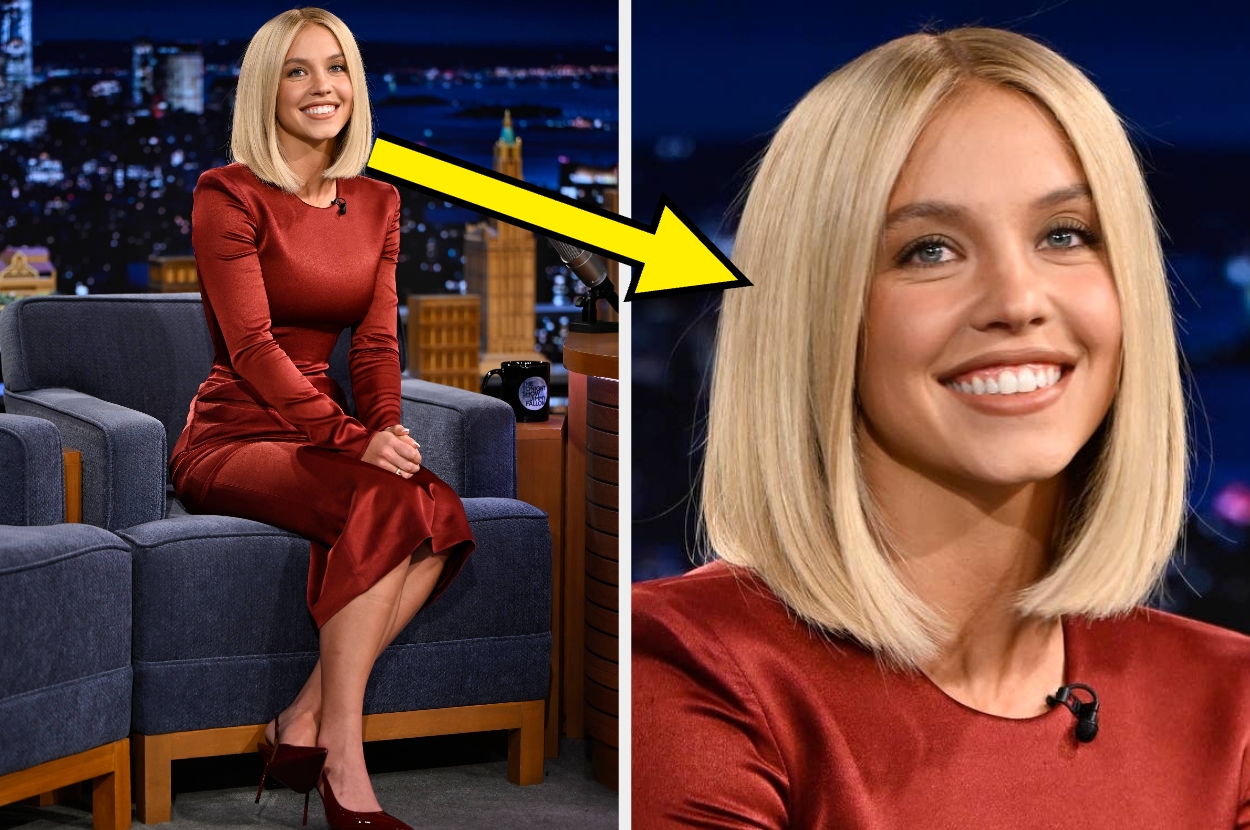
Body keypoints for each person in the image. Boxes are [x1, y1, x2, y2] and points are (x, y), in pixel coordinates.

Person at [632, 27, 1250, 827]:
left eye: (1065, 234)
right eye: (929, 250)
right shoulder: (694, 672)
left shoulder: (1228, 706)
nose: (1017, 300)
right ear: (814, 318)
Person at [169, 9, 474, 830]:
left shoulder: (379, 202)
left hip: (325, 432)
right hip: (235, 433)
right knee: (386, 503)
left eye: (335, 68)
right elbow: (253, 348)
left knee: (439, 511)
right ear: (266, 90)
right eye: (297, 71)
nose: (321, 87)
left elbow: (375, 344)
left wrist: (388, 427)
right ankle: (343, 755)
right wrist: (351, 439)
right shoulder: (227, 193)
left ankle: (300, 719)